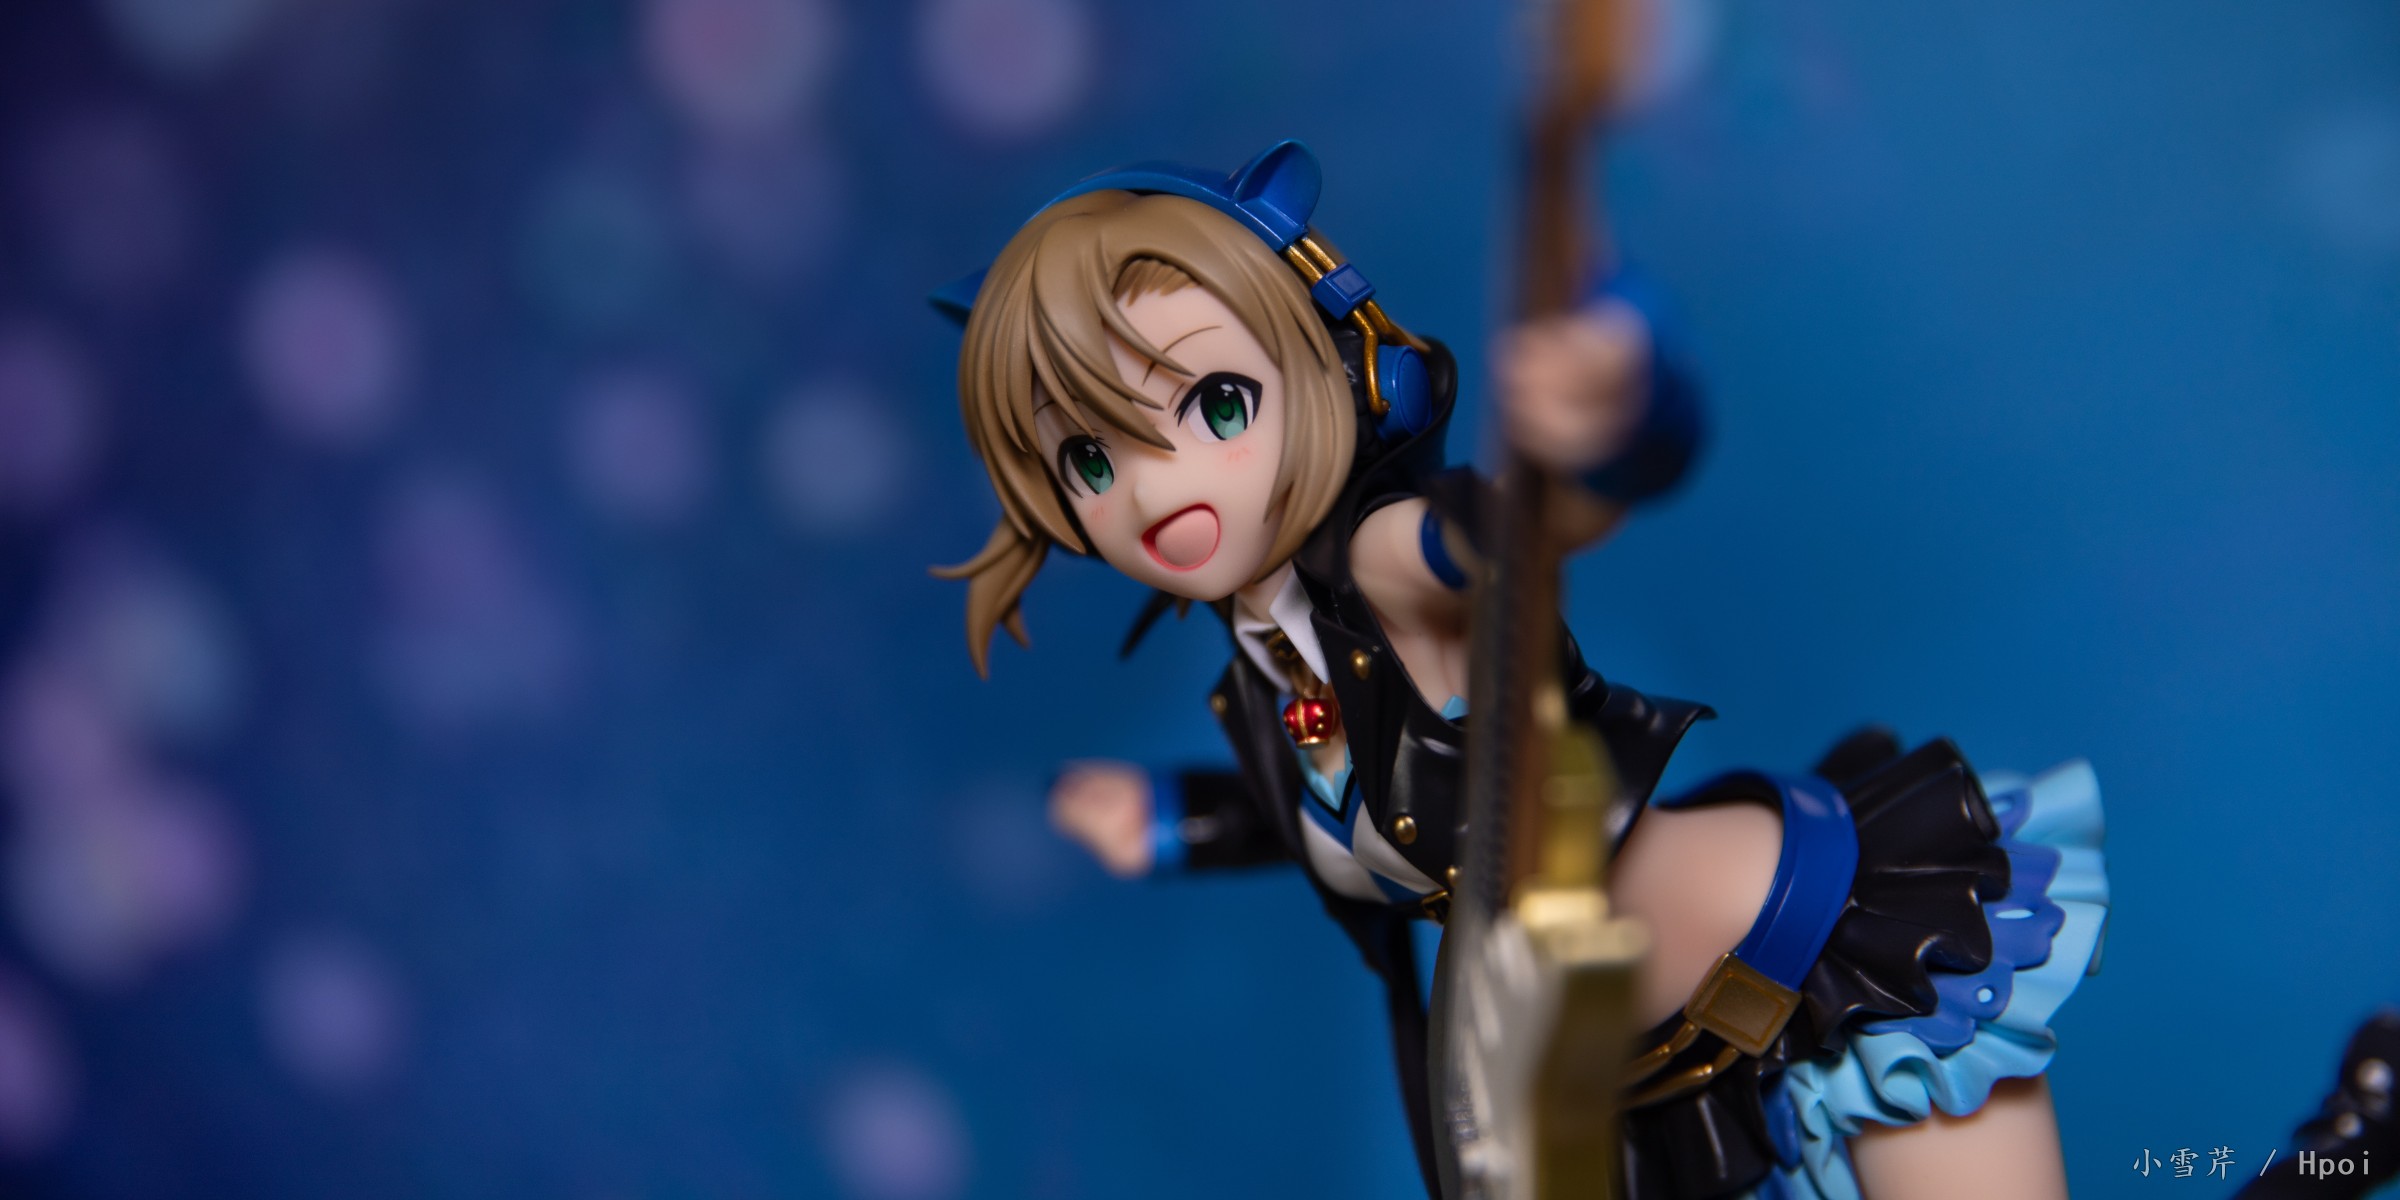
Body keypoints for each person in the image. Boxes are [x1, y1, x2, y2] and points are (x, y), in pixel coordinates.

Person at [930, 141, 2108, 1200]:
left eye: (1216, 405)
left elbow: (1524, 531)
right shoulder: (1265, 664)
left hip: (1824, 963)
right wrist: (1167, 818)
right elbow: (1329, 800)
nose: (1151, 487)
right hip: (1651, 1087)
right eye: (1091, 462)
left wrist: (1620, 403)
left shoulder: (1389, 563)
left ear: (1339, 373)